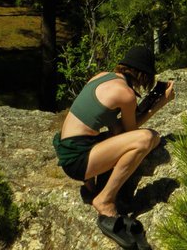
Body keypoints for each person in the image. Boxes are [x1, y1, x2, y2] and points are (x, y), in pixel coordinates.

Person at [52, 46, 174, 245]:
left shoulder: (102, 77)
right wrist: (159, 104)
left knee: (122, 134)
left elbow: (118, 129)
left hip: (71, 148)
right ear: (144, 76)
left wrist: (143, 108)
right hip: (78, 160)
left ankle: (90, 182)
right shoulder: (126, 94)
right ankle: (105, 200)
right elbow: (133, 133)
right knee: (149, 138)